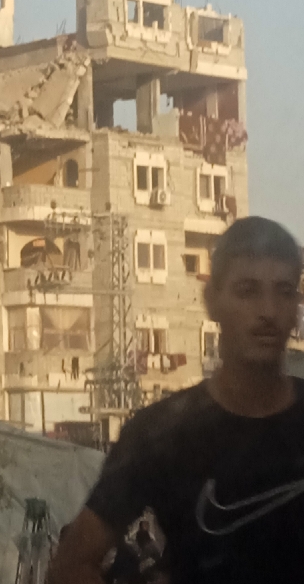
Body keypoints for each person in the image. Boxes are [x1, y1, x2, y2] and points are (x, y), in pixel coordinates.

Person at [48, 216, 304, 584]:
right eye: (247, 290)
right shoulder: (161, 434)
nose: (268, 311)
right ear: (212, 301)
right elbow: (71, 565)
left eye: (284, 291)